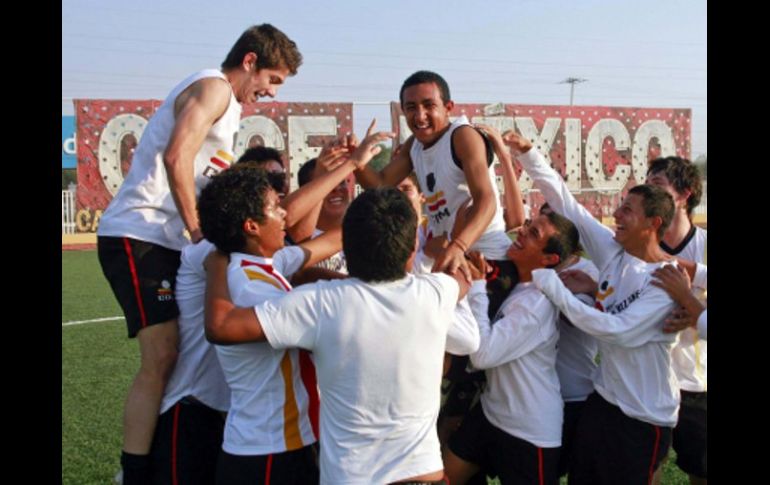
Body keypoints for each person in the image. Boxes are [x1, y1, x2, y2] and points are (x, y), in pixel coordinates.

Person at [95, 24, 302, 484]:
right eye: (272, 80)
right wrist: (196, 229)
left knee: (182, 351)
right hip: (139, 231)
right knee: (163, 355)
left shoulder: (228, 110)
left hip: (162, 238)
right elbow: (176, 155)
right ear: (250, 61)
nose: (269, 93)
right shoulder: (214, 88)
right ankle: (133, 470)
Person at [205, 187, 478, 484]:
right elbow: (461, 280)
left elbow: (222, 327)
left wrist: (218, 263)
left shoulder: (320, 304)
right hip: (424, 475)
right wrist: (458, 251)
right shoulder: (435, 292)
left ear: (345, 248)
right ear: (412, 248)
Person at [504, 129, 680, 485]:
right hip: (604, 400)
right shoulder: (615, 251)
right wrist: (528, 154)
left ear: (653, 223)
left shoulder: (665, 280)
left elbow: (617, 331)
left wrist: (552, 285)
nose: (616, 214)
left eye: (627, 211)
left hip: (644, 415)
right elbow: (568, 205)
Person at [444, 211, 580, 485]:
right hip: (491, 412)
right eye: (528, 225)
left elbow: (482, 355)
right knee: (445, 478)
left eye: (534, 234)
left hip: (528, 432)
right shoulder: (520, 284)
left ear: (549, 259)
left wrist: (479, 287)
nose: (522, 231)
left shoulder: (537, 304)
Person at [646, 156, 707, 484]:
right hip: (649, 380)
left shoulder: (704, 247)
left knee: (700, 470)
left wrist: (694, 313)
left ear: (684, 194)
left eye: (657, 184)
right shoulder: (640, 246)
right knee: (647, 467)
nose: (647, 190)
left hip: (695, 383)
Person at [539, 204, 601, 478]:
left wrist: (549, 289)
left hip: (576, 393)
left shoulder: (589, 272)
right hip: (537, 395)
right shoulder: (534, 267)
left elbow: (579, 322)